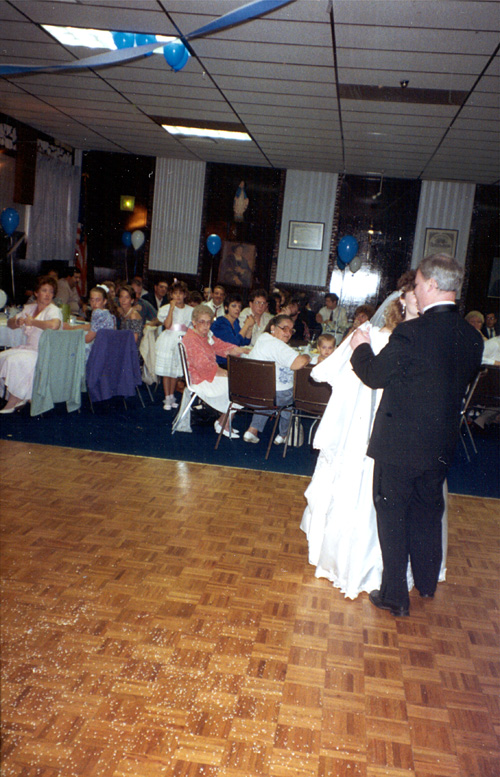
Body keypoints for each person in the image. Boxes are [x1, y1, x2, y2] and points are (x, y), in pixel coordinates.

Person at [350, 254, 483, 616]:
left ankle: (395, 595)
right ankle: (425, 583)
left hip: (398, 444)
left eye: (420, 284)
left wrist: (358, 347)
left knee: (391, 515)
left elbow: (374, 374)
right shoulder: (473, 339)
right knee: (428, 511)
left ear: (434, 286)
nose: (417, 290)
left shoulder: (411, 332)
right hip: (440, 444)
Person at [301, 272, 422, 599]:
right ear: (402, 299)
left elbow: (322, 372)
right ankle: (362, 566)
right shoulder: (374, 335)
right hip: (368, 430)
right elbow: (322, 372)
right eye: (415, 292)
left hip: (394, 432)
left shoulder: (406, 338)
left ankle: (379, 568)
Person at [243, 314, 310, 446]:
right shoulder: (279, 346)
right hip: (275, 395)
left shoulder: (263, 337)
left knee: (271, 395)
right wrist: (307, 355)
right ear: (273, 328)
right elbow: (298, 363)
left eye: (291, 330)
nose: (288, 333)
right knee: (289, 399)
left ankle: (252, 430)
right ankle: (283, 435)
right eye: (284, 328)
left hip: (254, 392)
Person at [182, 304, 248, 438]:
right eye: (202, 322)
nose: (206, 326)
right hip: (201, 380)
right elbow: (205, 368)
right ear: (194, 322)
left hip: (208, 375)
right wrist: (228, 374)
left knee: (241, 383)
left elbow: (221, 346)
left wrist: (242, 350)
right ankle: (224, 423)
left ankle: (223, 422)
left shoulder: (205, 336)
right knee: (240, 386)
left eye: (209, 322)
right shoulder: (191, 340)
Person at [0, 275, 62, 413]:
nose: (48, 294)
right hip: (29, 349)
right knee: (2, 357)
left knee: (13, 361)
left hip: (43, 352)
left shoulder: (53, 310)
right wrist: (17, 322)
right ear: (36, 293)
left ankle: (15, 399)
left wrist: (33, 322)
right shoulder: (29, 308)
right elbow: (10, 323)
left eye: (51, 291)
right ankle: (19, 395)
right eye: (44, 290)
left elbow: (54, 325)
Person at [156, 281, 193, 410]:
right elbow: (167, 325)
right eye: (175, 293)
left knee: (174, 372)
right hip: (168, 339)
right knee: (167, 371)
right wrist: (171, 308)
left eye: (180, 293)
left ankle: (172, 397)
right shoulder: (166, 308)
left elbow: (190, 328)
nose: (178, 296)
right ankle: (167, 397)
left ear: (184, 295)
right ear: (171, 295)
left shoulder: (190, 310)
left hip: (181, 340)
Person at [63, 285, 116, 361]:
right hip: (107, 352)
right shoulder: (108, 314)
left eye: (97, 300)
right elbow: (91, 326)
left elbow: (88, 339)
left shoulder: (97, 313)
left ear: (104, 301)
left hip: (97, 353)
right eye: (92, 300)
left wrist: (71, 335)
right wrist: (72, 328)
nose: (94, 303)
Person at [210, 293, 254, 367]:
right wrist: (246, 326)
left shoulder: (236, 322)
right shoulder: (220, 323)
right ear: (226, 307)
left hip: (233, 361)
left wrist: (250, 327)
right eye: (234, 306)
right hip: (220, 363)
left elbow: (244, 342)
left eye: (239, 307)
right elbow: (234, 343)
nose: (237, 309)